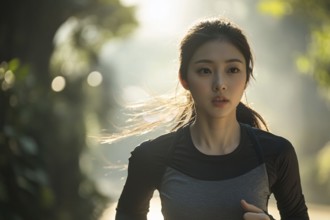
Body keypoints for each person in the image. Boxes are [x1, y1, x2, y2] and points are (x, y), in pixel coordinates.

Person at [114, 17, 309, 220]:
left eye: (232, 70)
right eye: (205, 71)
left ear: (247, 77)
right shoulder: (151, 157)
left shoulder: (277, 153)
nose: (220, 84)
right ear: (184, 79)